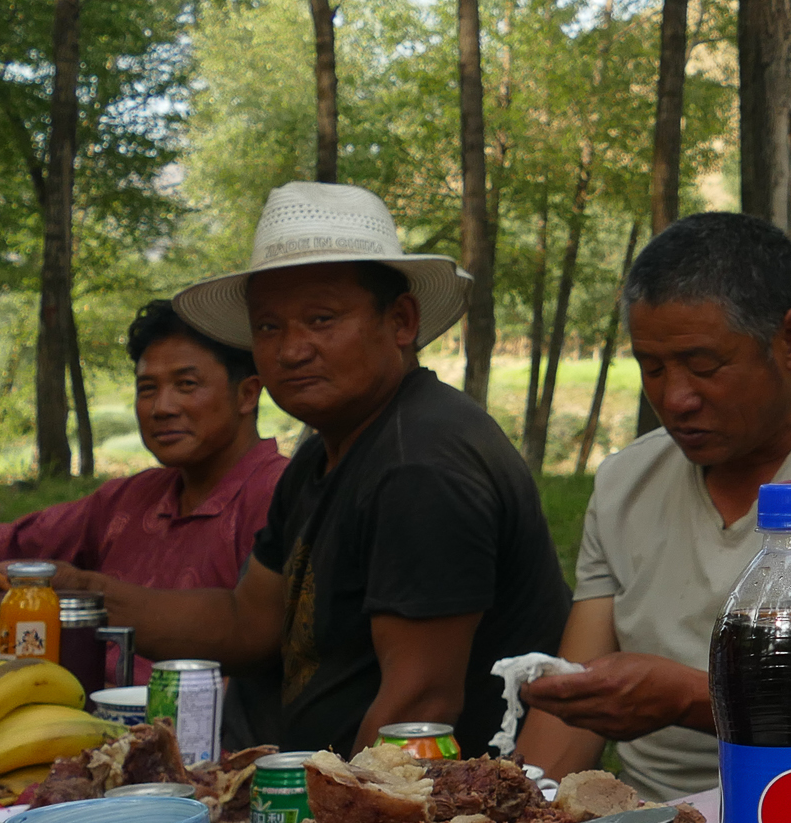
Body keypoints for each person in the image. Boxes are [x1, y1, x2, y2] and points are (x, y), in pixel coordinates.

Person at [64, 182, 570, 753]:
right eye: (268, 327)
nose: (291, 350)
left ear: (401, 321)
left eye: (322, 319)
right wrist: (80, 594)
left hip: (426, 820)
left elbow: (419, 711)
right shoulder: (324, 449)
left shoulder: (420, 465)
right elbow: (247, 622)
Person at [513, 212, 791, 799]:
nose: (675, 398)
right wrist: (518, 815)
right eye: (651, 367)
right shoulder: (626, 481)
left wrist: (693, 698)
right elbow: (571, 712)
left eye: (704, 366)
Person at [0, 302, 286, 663]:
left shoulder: (280, 495)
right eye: (147, 388)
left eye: (186, 385)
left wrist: (87, 591)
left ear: (247, 394)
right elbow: (6, 545)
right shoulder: (133, 498)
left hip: (207, 726)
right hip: (76, 706)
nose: (161, 407)